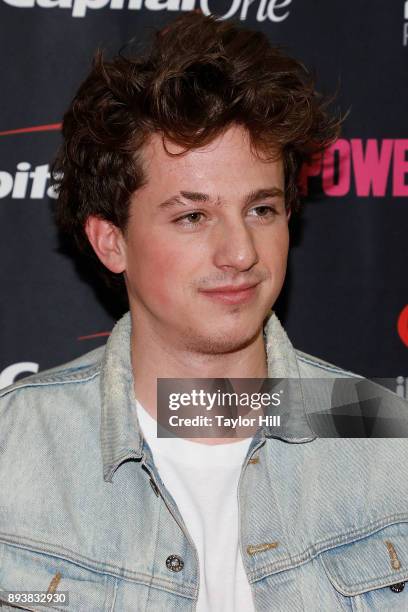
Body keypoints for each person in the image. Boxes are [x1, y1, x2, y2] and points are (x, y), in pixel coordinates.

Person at [1, 11, 408, 612]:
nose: (241, 252)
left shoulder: (382, 431)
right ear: (111, 241)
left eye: (261, 209)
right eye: (193, 216)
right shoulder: (15, 448)